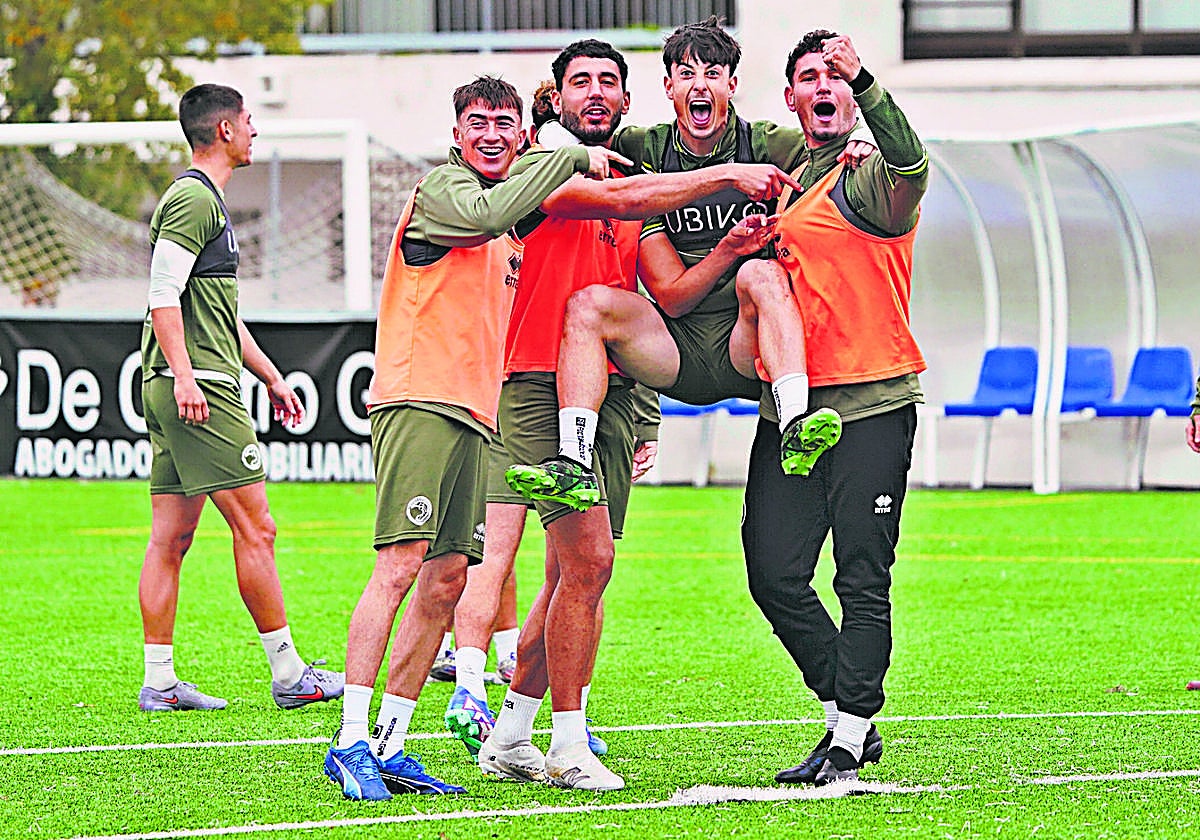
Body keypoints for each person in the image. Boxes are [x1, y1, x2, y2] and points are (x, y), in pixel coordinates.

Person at [477, 39, 803, 792]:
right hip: (540, 383)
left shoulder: (635, 180)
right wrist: (725, 174)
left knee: (572, 575)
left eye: (607, 83)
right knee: (576, 564)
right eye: (579, 82)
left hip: (614, 392)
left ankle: (511, 734)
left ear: (628, 102)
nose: (594, 93)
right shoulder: (543, 164)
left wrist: (647, 415)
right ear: (555, 97)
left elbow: (667, 293)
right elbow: (627, 203)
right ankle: (559, 740)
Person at [322, 75, 626, 802]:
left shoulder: (507, 220)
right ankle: (349, 741)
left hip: (475, 414)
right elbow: (491, 210)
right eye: (477, 122)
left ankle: (390, 744)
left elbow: (526, 215)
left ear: (520, 134)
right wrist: (571, 154)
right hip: (418, 399)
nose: (491, 134)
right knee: (400, 567)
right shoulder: (444, 191)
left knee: (449, 579)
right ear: (457, 133)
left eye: (503, 123)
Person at [506, 17, 872, 511]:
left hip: (747, 347)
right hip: (674, 350)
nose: (700, 85)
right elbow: (568, 139)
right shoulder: (643, 148)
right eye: (686, 73)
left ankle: (795, 426)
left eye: (713, 73)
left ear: (731, 85)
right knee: (587, 304)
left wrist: (864, 135)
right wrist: (729, 247)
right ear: (668, 87)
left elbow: (827, 132)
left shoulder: (767, 143)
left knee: (761, 272)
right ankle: (573, 462)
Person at [738, 30, 928, 786]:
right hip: (790, 414)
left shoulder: (873, 176)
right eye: (809, 77)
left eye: (836, 76)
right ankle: (847, 714)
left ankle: (847, 736)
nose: (825, 86)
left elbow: (911, 162)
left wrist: (869, 81)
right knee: (773, 572)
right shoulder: (790, 178)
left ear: (851, 95)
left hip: (871, 403)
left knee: (861, 578)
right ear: (791, 98)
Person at [137, 83, 344, 713]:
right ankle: (290, 675)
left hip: (180, 381)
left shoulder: (207, 201)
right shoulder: (194, 199)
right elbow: (162, 294)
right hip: (197, 387)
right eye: (249, 121)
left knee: (171, 538)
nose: (256, 130)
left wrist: (272, 376)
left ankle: (160, 682)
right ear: (225, 130)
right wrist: (187, 376)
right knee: (257, 527)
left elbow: (219, 314)